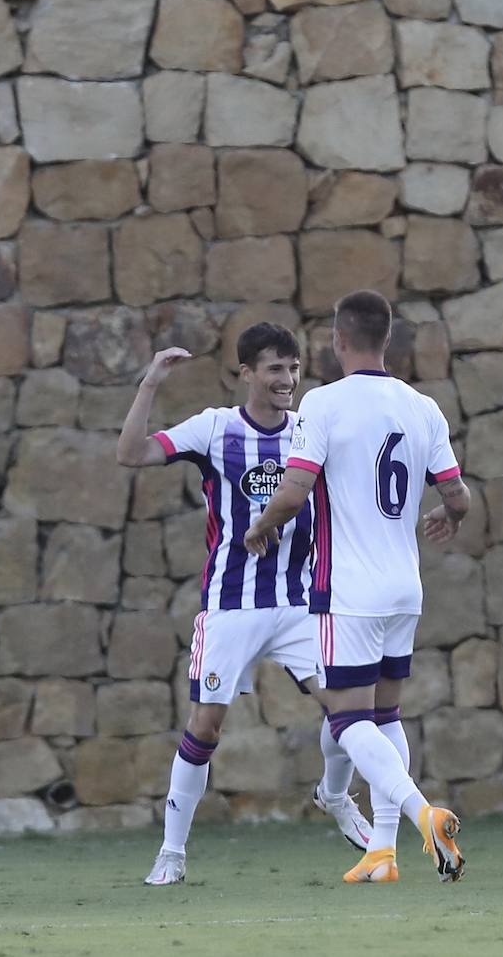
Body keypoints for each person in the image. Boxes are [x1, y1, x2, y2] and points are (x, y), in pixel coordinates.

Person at [118, 323, 371, 887]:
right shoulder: (214, 428)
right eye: (275, 369)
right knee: (206, 726)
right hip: (231, 606)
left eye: (294, 367)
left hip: (301, 604)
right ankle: (172, 853)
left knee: (350, 710)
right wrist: (150, 385)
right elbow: (131, 453)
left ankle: (334, 796)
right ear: (247, 374)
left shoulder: (313, 430)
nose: (288, 379)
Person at [242, 290, 471, 885]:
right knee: (385, 716)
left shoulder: (325, 404)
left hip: (348, 592)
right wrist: (452, 518)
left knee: (347, 721)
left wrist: (259, 528)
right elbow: (457, 495)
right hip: (405, 590)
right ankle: (383, 852)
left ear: (338, 340)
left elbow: (293, 492)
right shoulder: (422, 406)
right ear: (386, 339)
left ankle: (425, 815)